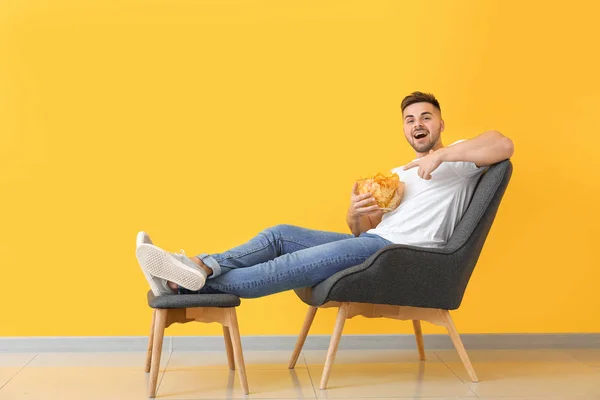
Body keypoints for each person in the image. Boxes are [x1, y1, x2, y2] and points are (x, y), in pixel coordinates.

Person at [135, 91, 514, 298]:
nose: (418, 124)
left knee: (280, 269)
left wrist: (445, 153)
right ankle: (197, 267)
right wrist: (355, 213)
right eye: (410, 119)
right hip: (375, 241)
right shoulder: (398, 174)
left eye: (426, 117)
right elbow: (359, 232)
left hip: (400, 252)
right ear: (403, 129)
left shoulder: (461, 157)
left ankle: (181, 277)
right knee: (279, 234)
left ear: (441, 123)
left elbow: (503, 144)